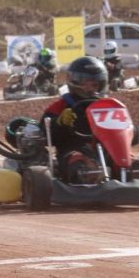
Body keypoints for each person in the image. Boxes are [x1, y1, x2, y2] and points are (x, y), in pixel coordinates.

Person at [40, 56, 109, 184]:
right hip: (72, 149)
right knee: (77, 161)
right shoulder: (61, 106)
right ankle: (87, 176)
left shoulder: (108, 106)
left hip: (105, 149)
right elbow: (44, 134)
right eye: (84, 84)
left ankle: (131, 171)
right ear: (74, 82)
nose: (89, 89)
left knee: (126, 159)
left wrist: (129, 131)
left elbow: (132, 136)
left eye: (94, 85)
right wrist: (60, 123)